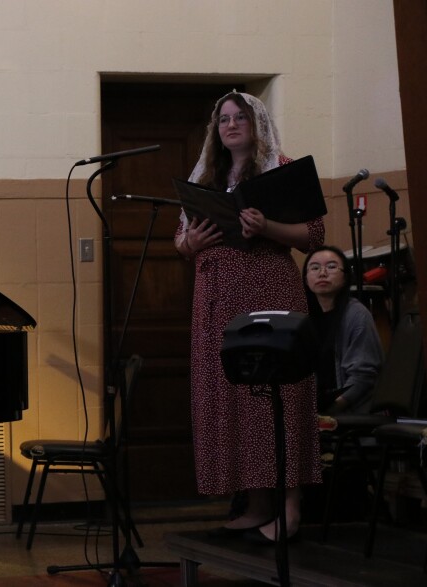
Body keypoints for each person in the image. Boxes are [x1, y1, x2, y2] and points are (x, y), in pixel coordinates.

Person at [174, 91, 325, 544]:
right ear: (215, 129)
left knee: (277, 397)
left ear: (257, 123)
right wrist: (192, 244)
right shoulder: (205, 176)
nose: (232, 124)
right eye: (224, 118)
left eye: (241, 117)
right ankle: (256, 503)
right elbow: (179, 243)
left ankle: (291, 505)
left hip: (267, 290)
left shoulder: (282, 168)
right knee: (234, 398)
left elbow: (314, 236)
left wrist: (267, 228)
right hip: (216, 298)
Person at [303, 245, 383, 415]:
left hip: (352, 412)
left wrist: (330, 411)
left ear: (346, 277)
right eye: (314, 268)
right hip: (318, 411)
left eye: (331, 267)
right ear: (306, 278)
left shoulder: (357, 315)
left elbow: (363, 376)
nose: (322, 273)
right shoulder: (303, 318)